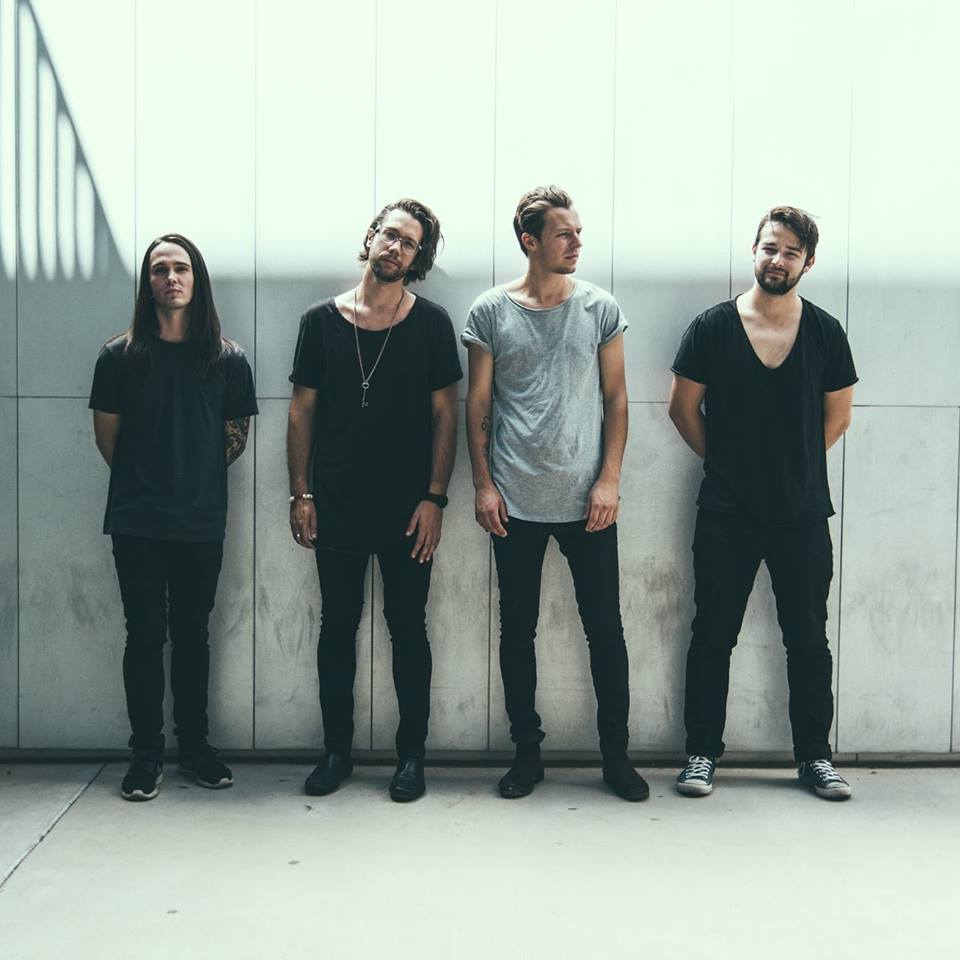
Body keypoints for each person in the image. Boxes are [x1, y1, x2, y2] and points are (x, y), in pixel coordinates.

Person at [463, 186, 648, 802]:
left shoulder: (599, 307)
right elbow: (478, 402)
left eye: (578, 233)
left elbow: (617, 398)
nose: (576, 243)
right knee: (517, 632)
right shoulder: (491, 311)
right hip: (513, 501)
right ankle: (527, 755)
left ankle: (616, 758)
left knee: (606, 631)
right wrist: (483, 485)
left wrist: (610, 480)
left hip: (587, 502)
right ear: (530, 241)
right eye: (564, 234)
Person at [669, 206, 857, 800]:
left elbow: (837, 418)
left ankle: (815, 757)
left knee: (808, 639)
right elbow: (682, 409)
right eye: (770, 248)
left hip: (802, 512)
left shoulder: (826, 332)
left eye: (791, 252)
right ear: (754, 251)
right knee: (712, 634)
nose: (778, 260)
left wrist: (790, 468)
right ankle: (701, 754)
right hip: (727, 512)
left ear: (808, 262)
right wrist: (730, 466)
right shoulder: (712, 326)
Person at [288, 199, 461, 802]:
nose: (396, 248)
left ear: (418, 258)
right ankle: (336, 753)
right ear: (371, 237)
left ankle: (411, 757)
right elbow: (301, 411)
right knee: (337, 627)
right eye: (390, 235)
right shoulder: (320, 321)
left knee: (408, 629)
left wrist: (435, 498)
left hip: (409, 510)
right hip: (334, 503)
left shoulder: (432, 324)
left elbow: (446, 414)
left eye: (409, 243)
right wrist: (301, 493)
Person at [90, 233, 258, 801]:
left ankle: (194, 747)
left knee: (192, 635)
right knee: (143, 635)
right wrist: (152, 479)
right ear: (148, 284)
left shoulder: (227, 359)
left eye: (181, 268)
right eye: (159, 269)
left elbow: (235, 437)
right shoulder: (118, 357)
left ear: (197, 279)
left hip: (200, 520)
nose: (171, 278)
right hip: (136, 519)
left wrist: (190, 480)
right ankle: (145, 754)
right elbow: (108, 439)